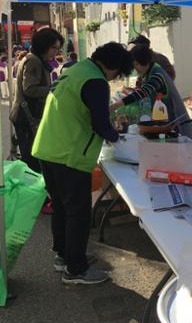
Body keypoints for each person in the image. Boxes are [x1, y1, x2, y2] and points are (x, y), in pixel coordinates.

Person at [32, 42, 133, 285]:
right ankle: (76, 270)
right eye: (117, 73)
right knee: (78, 212)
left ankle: (64, 256)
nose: (114, 78)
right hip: (70, 154)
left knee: (62, 206)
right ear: (112, 66)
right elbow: (100, 123)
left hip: (48, 148)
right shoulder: (95, 81)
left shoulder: (74, 71)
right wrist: (119, 139)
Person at [110, 42, 192, 140]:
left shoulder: (157, 74)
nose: (135, 68)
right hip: (163, 125)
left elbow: (143, 93)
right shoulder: (148, 73)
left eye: (136, 64)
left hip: (176, 126)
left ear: (145, 61)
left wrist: (115, 105)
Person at [9, 27, 62, 172]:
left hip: (28, 116)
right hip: (27, 117)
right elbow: (30, 89)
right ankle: (33, 193)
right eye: (53, 47)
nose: (56, 51)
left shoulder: (36, 59)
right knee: (31, 161)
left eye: (58, 48)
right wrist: (55, 89)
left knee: (33, 158)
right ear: (43, 45)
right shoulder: (34, 61)